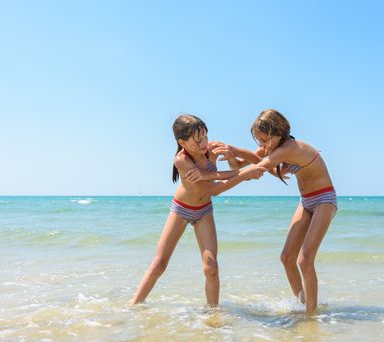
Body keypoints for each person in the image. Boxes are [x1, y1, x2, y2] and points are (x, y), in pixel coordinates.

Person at [131, 114, 264, 307]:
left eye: (205, 137)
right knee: (159, 264)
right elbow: (214, 189)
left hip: (204, 210)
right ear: (182, 142)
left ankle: (212, 315)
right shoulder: (181, 160)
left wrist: (233, 158)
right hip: (181, 210)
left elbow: (244, 161)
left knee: (211, 267)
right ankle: (134, 306)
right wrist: (243, 175)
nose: (204, 144)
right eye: (198, 140)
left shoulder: (212, 148)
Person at [212, 109, 337, 314]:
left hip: (324, 199)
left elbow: (258, 169)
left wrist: (224, 172)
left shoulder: (290, 148)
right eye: (259, 141)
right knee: (287, 257)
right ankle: (302, 303)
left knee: (304, 259)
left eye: (263, 140)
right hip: (306, 201)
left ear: (277, 134)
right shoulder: (275, 147)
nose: (261, 145)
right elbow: (247, 161)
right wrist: (231, 154)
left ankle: (311, 316)